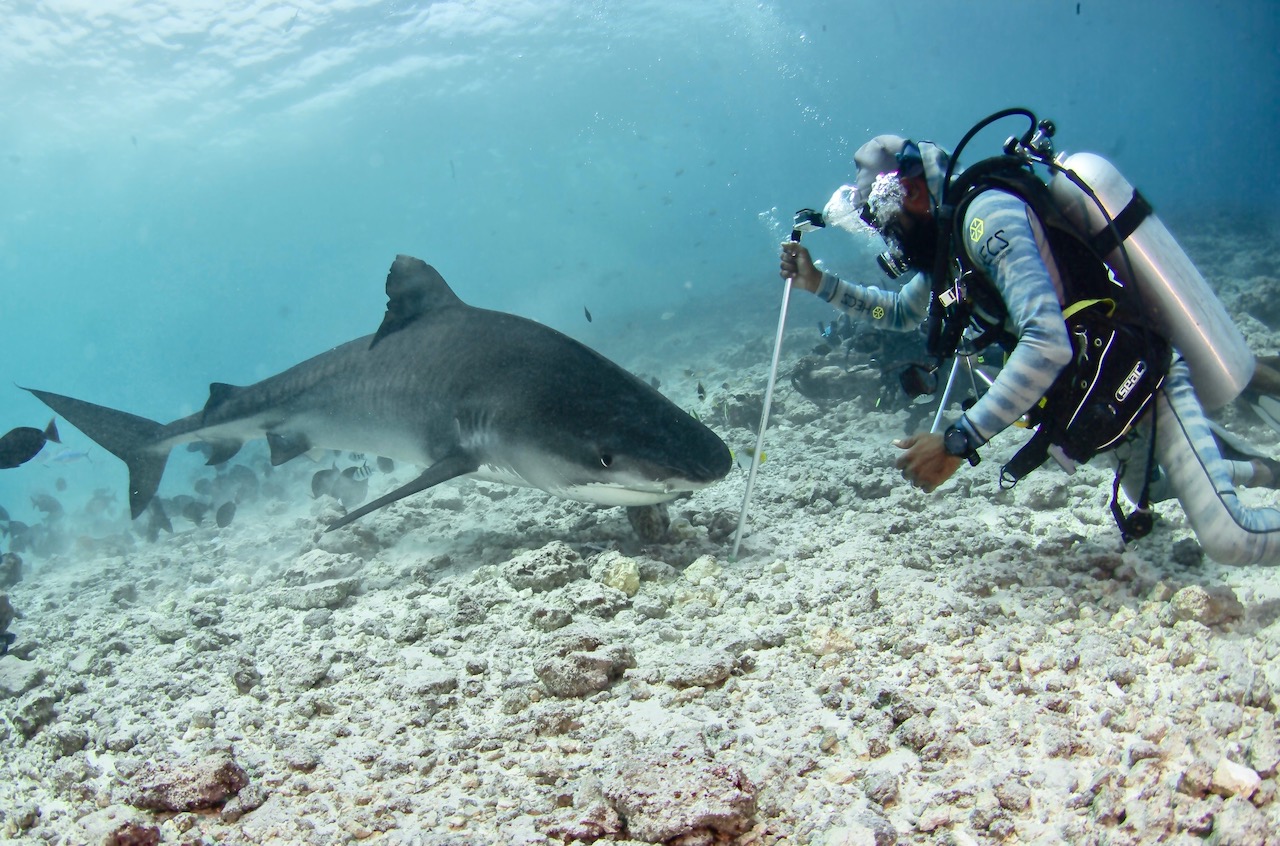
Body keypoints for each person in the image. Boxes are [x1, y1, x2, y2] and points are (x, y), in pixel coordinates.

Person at [779, 132, 1280, 566]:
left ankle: (1224, 462)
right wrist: (819, 283)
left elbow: (1046, 342)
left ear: (908, 191)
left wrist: (958, 442)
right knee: (1152, 490)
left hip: (1138, 376)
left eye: (883, 221)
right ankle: (1261, 467)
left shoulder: (985, 220)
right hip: (1101, 396)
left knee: (1228, 538)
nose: (888, 239)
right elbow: (899, 311)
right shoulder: (950, 253)